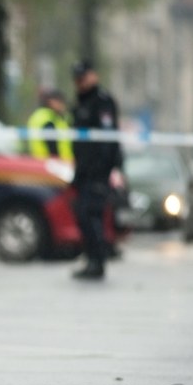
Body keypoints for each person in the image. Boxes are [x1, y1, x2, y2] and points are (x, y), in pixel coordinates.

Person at [70, 59, 123, 280]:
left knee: (91, 215)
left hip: (97, 172)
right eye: (77, 79)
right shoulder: (82, 103)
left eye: (83, 77)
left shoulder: (102, 102)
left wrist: (107, 169)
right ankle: (92, 258)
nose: (80, 82)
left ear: (94, 76)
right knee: (83, 214)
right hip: (83, 171)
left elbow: (107, 139)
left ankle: (98, 261)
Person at [26, 89, 74, 161]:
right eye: (60, 101)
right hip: (52, 164)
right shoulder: (48, 118)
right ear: (51, 102)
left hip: (40, 163)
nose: (62, 105)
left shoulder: (41, 116)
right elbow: (52, 145)